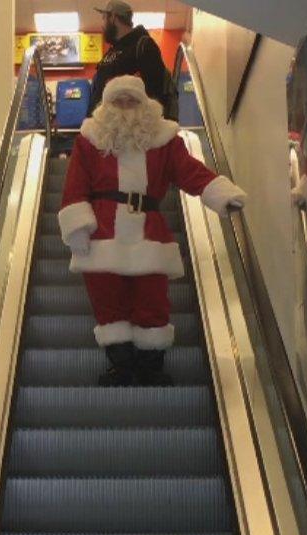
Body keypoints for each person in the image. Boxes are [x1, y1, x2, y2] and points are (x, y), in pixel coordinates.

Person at [59, 76, 247, 386]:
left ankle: (150, 368)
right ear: (105, 106)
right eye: (118, 102)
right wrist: (77, 226)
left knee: (153, 300)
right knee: (108, 303)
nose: (125, 108)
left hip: (149, 231)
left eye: (131, 101)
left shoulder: (164, 140)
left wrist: (222, 193)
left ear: (144, 104)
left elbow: (189, 171)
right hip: (102, 234)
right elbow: (75, 187)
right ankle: (121, 367)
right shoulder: (89, 140)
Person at [87, 0, 177, 120]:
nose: (102, 23)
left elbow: (154, 94)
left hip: (128, 131)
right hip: (103, 129)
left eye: (104, 17)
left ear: (113, 17)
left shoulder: (143, 45)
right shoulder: (113, 50)